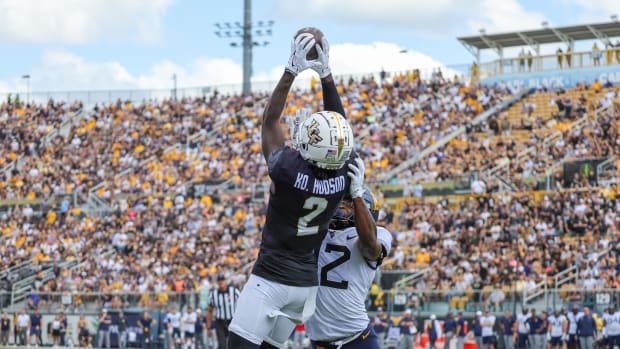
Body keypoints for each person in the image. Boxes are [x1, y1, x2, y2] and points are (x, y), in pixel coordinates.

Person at [228, 29, 361, 349]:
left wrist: (291, 70)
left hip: (270, 279)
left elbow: (270, 122)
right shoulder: (344, 175)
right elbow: (339, 126)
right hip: (304, 288)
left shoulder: (288, 170)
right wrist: (325, 75)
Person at [305, 186, 392, 349]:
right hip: (318, 343)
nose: (341, 206)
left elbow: (370, 247)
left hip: (358, 340)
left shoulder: (379, 234)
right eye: (340, 200)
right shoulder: (316, 231)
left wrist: (357, 195)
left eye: (348, 202)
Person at [208, 275, 240, 349]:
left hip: (232, 321)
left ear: (226, 281)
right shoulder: (213, 294)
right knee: (222, 345)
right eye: (219, 280)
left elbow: (242, 305)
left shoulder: (234, 291)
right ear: (217, 282)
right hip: (220, 322)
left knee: (233, 344)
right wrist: (208, 327)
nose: (221, 282)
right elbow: (209, 311)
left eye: (222, 280)